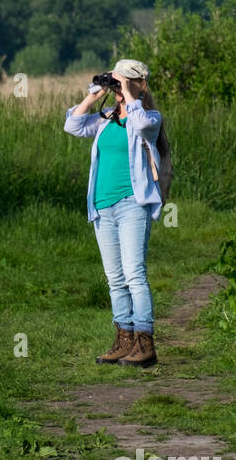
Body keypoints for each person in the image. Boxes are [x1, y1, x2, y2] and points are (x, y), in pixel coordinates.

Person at [62, 59, 163, 367]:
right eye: (116, 82)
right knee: (115, 279)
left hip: (133, 203)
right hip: (103, 207)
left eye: (125, 81)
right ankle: (124, 339)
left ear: (139, 84)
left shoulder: (148, 117)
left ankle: (145, 343)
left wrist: (131, 93)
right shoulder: (105, 119)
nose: (118, 88)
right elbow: (73, 125)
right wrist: (95, 94)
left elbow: (143, 124)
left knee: (134, 274)